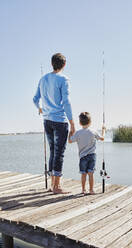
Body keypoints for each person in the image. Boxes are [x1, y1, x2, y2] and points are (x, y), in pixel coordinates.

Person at [33, 53, 75, 194]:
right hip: (60, 122)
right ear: (64, 65)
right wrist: (73, 123)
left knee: (53, 151)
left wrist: (40, 108)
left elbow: (35, 99)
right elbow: (66, 102)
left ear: (52, 64)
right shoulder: (64, 79)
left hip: (47, 121)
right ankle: (56, 187)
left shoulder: (43, 79)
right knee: (59, 153)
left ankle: (52, 184)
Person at [68, 112, 105, 194]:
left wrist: (70, 133)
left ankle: (83, 190)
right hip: (92, 156)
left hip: (82, 157)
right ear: (90, 122)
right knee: (91, 173)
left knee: (83, 174)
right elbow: (102, 138)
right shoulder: (93, 131)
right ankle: (91, 190)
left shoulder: (78, 133)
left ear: (80, 123)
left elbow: (70, 141)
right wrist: (103, 130)